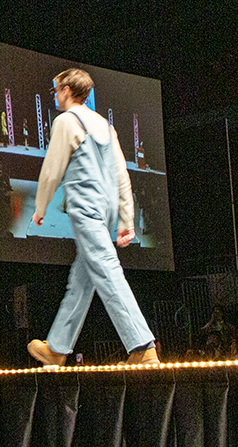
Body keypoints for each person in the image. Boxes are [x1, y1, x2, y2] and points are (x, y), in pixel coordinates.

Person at [27, 68, 159, 367]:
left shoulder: (65, 121)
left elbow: (52, 170)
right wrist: (126, 218)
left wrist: (41, 207)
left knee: (108, 271)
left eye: (56, 90)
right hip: (106, 206)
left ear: (67, 90)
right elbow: (121, 174)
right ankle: (57, 348)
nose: (55, 96)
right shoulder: (104, 125)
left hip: (86, 206)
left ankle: (142, 346)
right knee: (81, 281)